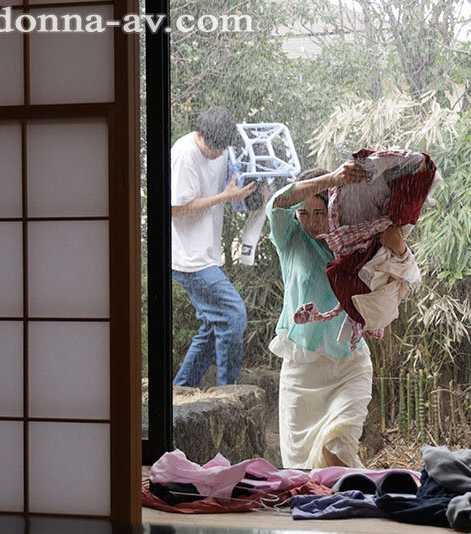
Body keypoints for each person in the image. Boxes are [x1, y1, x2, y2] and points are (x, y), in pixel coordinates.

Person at [265, 164, 408, 468]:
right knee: (302, 475)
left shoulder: (355, 242)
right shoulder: (289, 238)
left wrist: (399, 247)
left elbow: (400, 277)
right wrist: (332, 179)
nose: (311, 223)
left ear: (333, 210)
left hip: (349, 366)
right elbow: (278, 202)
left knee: (337, 452)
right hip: (300, 373)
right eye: (303, 214)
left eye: (319, 214)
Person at [171, 106, 256, 387]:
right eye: (212, 149)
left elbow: (231, 179)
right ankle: (227, 393)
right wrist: (223, 196)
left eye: (221, 149)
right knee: (233, 315)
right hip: (188, 259)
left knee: (212, 327)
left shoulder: (221, 147)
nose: (217, 154)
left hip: (207, 253)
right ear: (199, 135)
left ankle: (180, 391)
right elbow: (175, 208)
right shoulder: (185, 154)